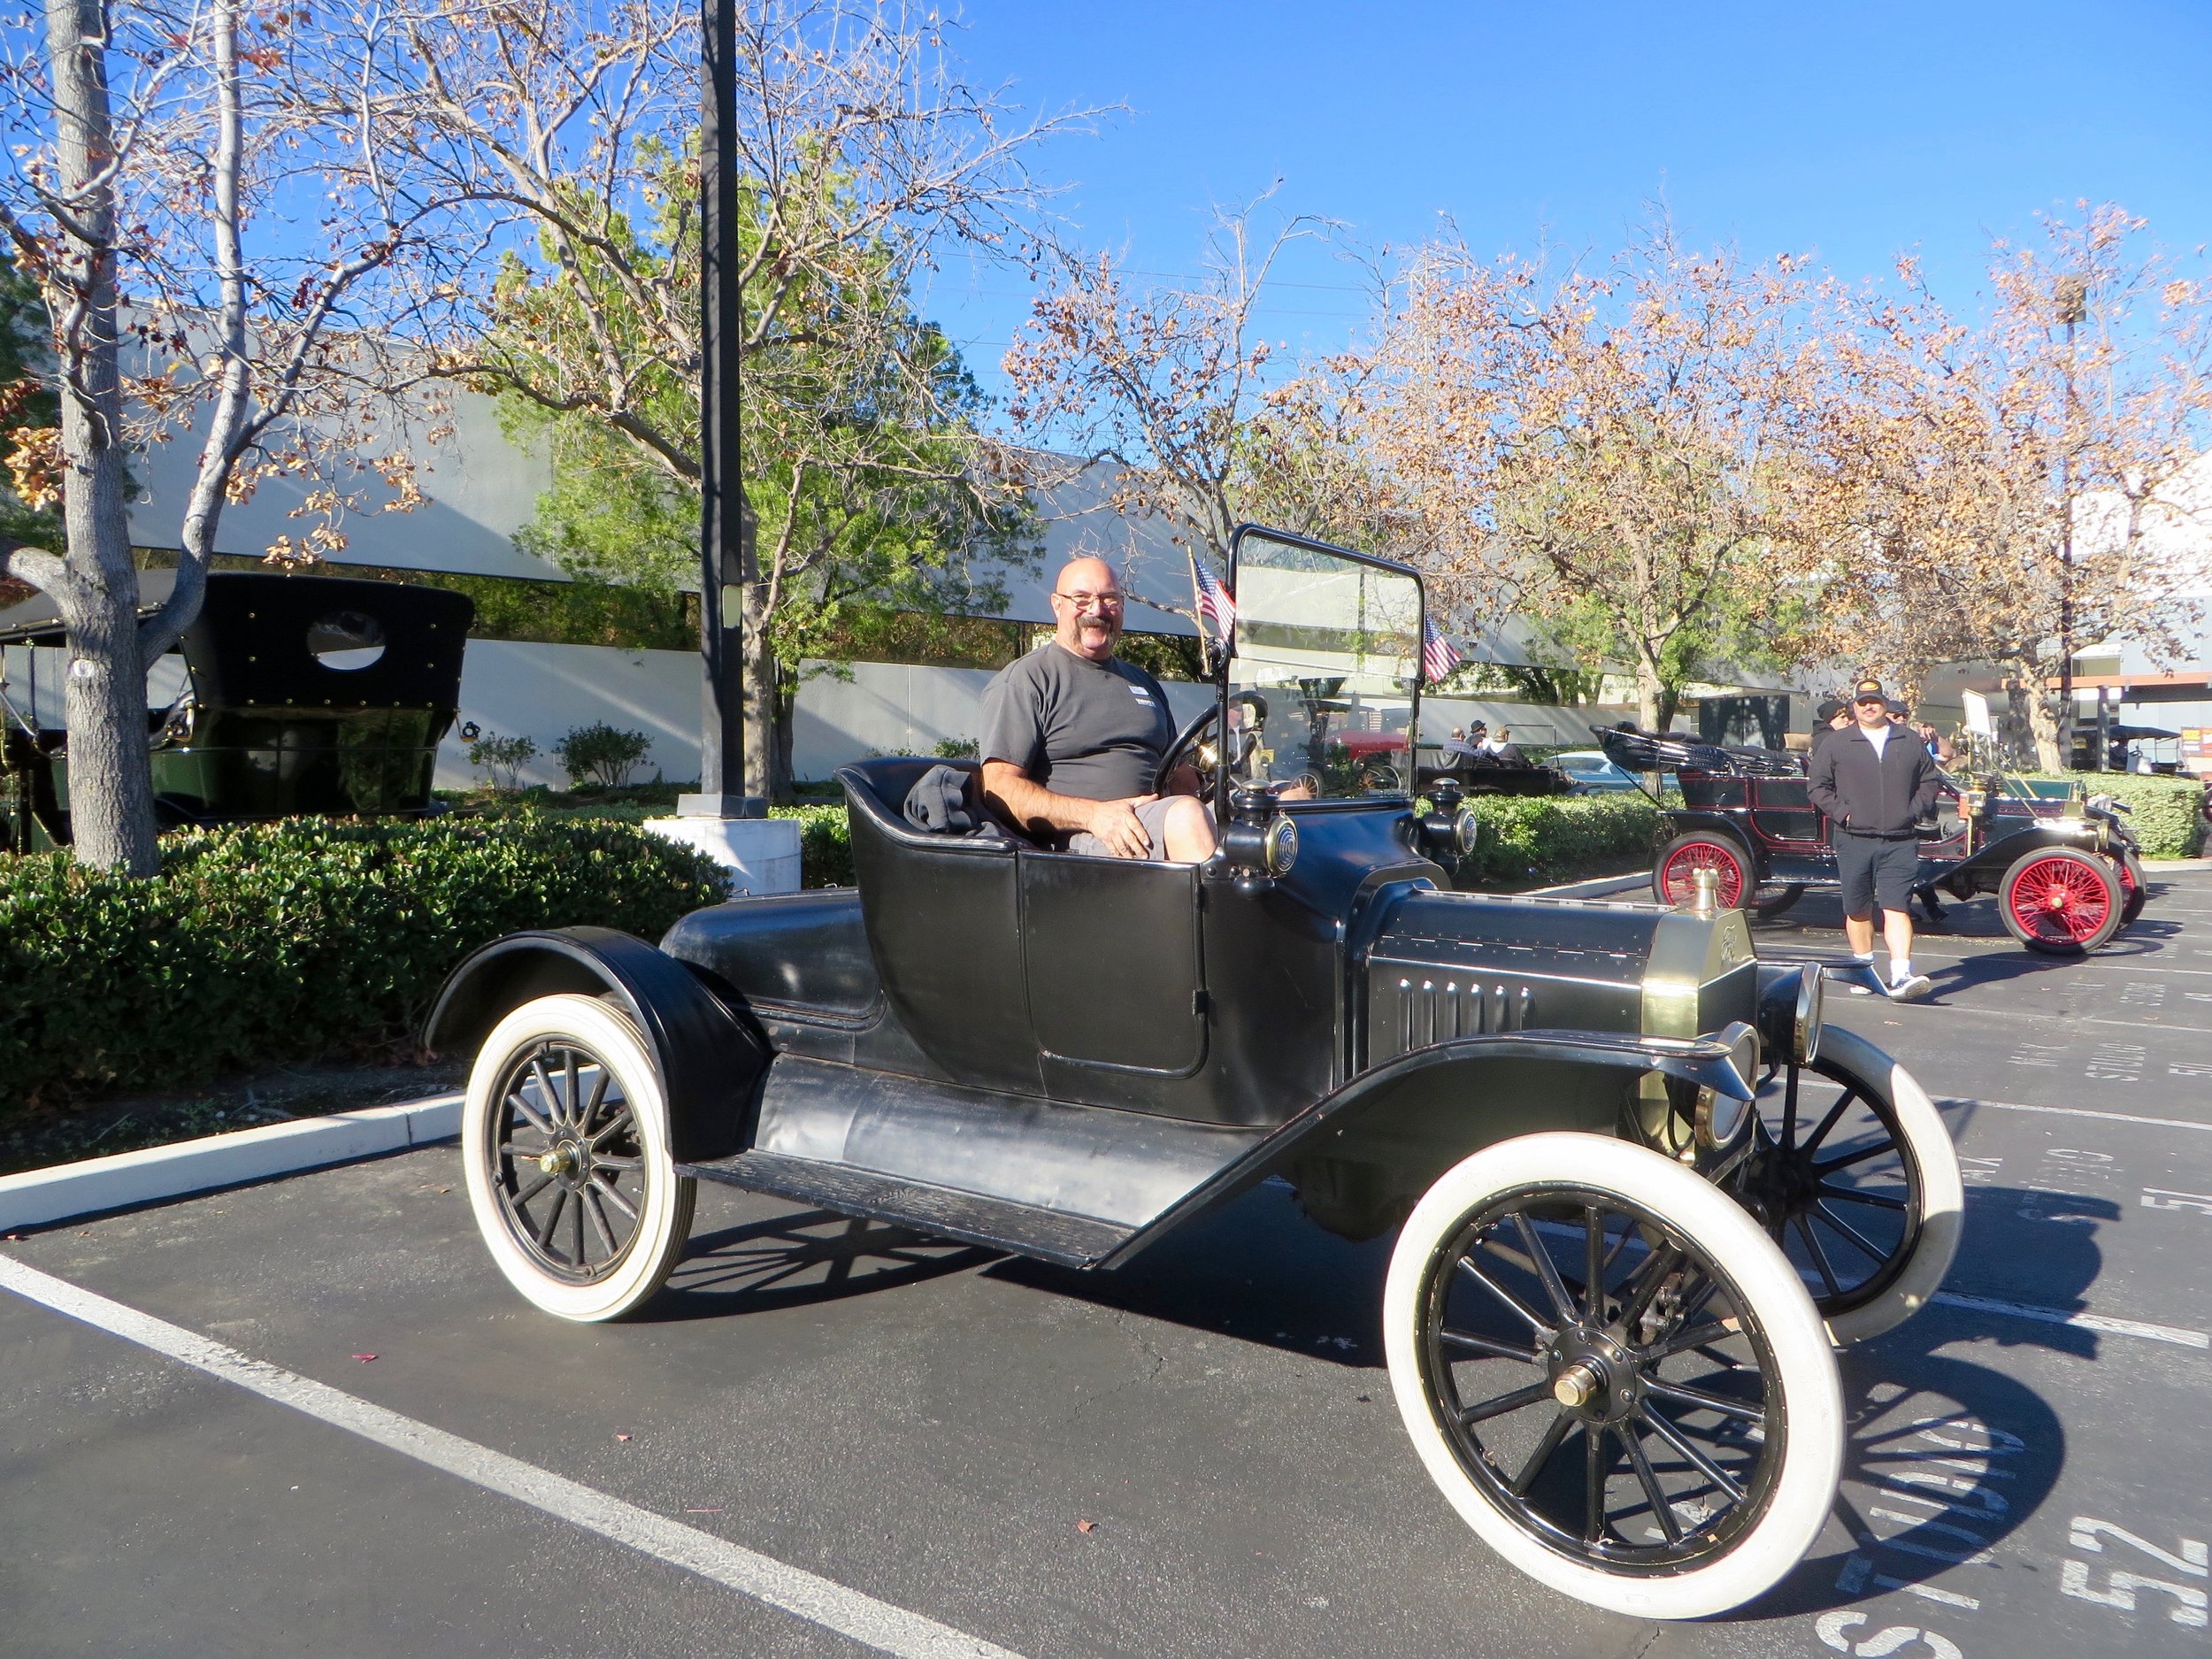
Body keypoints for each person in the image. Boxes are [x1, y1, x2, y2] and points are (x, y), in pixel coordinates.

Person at [977, 557, 1217, 862]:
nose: (1097, 610)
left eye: (1109, 599)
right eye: (1082, 598)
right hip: (1085, 841)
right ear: (1056, 605)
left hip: (1156, 820)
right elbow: (1001, 790)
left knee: (1268, 808)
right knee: (1186, 818)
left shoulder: (1142, 681)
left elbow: (1180, 773)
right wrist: (1094, 816)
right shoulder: (1027, 681)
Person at [1809, 677, 1942, 1001]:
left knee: (1897, 906)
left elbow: (1930, 780)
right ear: (1854, 707)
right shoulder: (1837, 743)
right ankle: (1863, 969)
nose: (1869, 706)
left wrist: (1912, 812)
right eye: (1862, 702)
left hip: (1900, 839)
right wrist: (1845, 814)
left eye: (1875, 701)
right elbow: (1817, 787)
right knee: (1858, 908)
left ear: (1885, 704)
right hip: (1853, 839)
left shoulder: (1908, 740)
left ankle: (1901, 974)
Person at [1808, 698, 1852, 762]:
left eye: (1847, 717)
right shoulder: (1824, 739)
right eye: (1842, 717)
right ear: (1830, 719)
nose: (1847, 720)